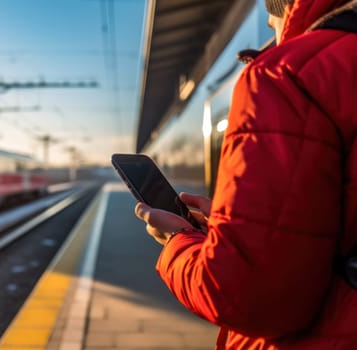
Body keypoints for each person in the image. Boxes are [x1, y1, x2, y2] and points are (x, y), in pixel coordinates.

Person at [134, 0, 357, 349]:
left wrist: (178, 242)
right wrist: (239, 226)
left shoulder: (285, 73)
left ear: (287, 10)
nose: (274, 40)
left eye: (271, 26)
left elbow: (246, 296)